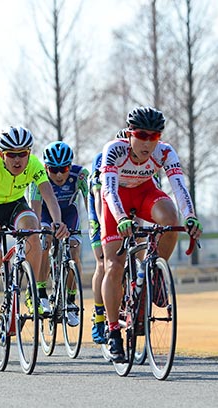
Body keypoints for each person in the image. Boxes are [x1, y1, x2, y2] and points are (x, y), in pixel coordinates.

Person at [101, 107, 203, 362]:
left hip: (145, 192)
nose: (147, 142)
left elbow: (179, 186)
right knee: (114, 264)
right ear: (130, 133)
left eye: (154, 136)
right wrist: (122, 218)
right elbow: (109, 191)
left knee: (171, 219)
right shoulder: (114, 149)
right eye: (142, 135)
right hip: (116, 200)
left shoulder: (165, 151)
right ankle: (113, 330)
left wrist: (190, 215)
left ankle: (154, 272)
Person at [0, 126, 69, 345]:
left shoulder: (35, 164)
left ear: (29, 153)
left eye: (22, 154)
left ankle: (33, 290)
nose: (18, 160)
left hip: (16, 206)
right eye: (11, 154)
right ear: (2, 155)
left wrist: (57, 221)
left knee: (33, 227)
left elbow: (49, 196)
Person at [29, 140, 89, 325]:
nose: (59, 174)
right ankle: (40, 293)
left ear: (70, 166)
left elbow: (90, 203)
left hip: (69, 213)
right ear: (46, 167)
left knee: (74, 251)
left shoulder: (80, 175)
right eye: (53, 169)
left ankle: (70, 299)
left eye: (64, 169)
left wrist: (97, 226)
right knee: (44, 240)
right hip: (46, 214)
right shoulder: (38, 178)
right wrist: (41, 231)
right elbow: (35, 211)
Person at [88, 129, 128, 344]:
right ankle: (100, 315)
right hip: (102, 207)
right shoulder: (103, 159)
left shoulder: (145, 161)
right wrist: (107, 230)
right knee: (104, 262)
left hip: (128, 206)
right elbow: (99, 198)